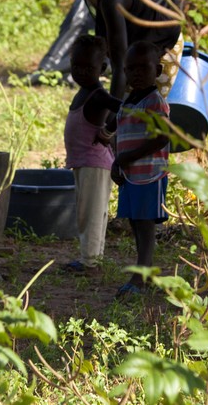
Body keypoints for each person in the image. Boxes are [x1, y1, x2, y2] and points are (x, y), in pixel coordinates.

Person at [49, 0, 183, 99]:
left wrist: (112, 116)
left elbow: (120, 66)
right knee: (128, 111)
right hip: (135, 47)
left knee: (146, 109)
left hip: (161, 46)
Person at [111, 41, 171, 297]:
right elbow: (121, 135)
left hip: (150, 175)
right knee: (136, 223)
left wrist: (126, 158)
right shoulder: (128, 101)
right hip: (131, 175)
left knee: (146, 225)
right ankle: (143, 271)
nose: (135, 73)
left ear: (156, 71)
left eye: (142, 68)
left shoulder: (155, 101)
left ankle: (140, 277)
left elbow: (162, 136)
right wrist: (118, 162)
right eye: (130, 69)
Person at [62, 34, 123, 273]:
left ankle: (91, 262)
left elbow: (126, 110)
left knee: (93, 214)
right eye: (76, 66)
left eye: (89, 67)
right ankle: (91, 257)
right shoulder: (85, 91)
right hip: (85, 162)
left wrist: (108, 131)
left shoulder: (97, 94)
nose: (81, 72)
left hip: (95, 163)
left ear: (103, 68)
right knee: (87, 212)